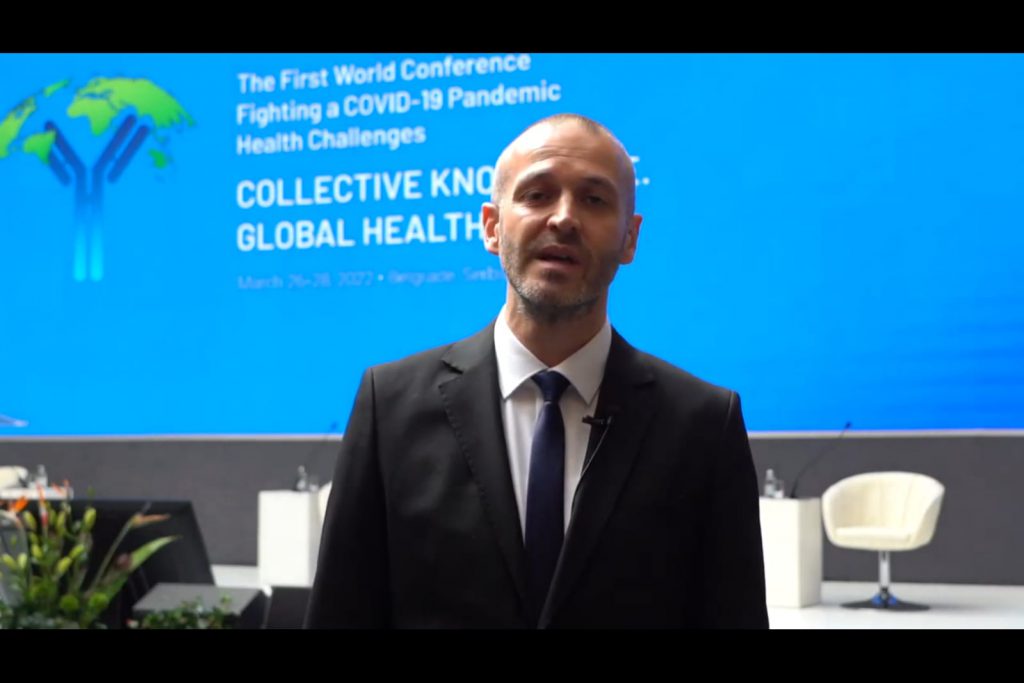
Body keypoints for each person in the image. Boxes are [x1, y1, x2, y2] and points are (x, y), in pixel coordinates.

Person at [306, 113, 768, 628]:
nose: (564, 219)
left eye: (594, 199)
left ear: (630, 238)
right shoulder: (389, 406)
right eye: (537, 194)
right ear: (492, 226)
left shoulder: (703, 424)